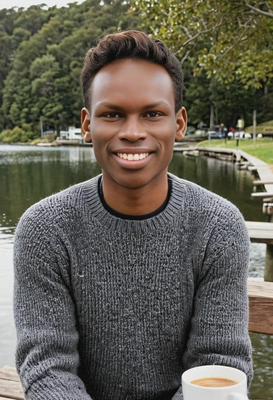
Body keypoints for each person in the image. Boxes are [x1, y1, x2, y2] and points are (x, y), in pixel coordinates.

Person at [13, 30, 253, 400]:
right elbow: (48, 367)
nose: (132, 132)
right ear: (87, 124)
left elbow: (220, 362)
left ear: (179, 123)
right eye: (112, 114)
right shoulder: (45, 230)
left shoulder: (218, 226)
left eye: (153, 114)